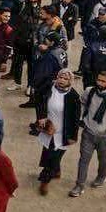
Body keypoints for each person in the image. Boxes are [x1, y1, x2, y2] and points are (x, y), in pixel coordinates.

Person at [70, 70, 106, 198]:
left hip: (105, 136)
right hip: (88, 133)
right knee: (83, 160)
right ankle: (79, 185)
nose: (100, 83)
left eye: (103, 81)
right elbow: (82, 102)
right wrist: (82, 117)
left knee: (102, 159)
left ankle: (101, 176)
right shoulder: (90, 91)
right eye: (98, 80)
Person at [33, 68, 81, 196]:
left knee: (53, 156)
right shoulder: (48, 87)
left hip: (63, 132)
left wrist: (73, 136)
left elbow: (75, 119)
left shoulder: (73, 96)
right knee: (48, 151)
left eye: (65, 79)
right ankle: (56, 171)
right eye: (60, 77)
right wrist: (41, 116)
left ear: (70, 81)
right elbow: (39, 101)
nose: (61, 80)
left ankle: (45, 180)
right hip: (48, 129)